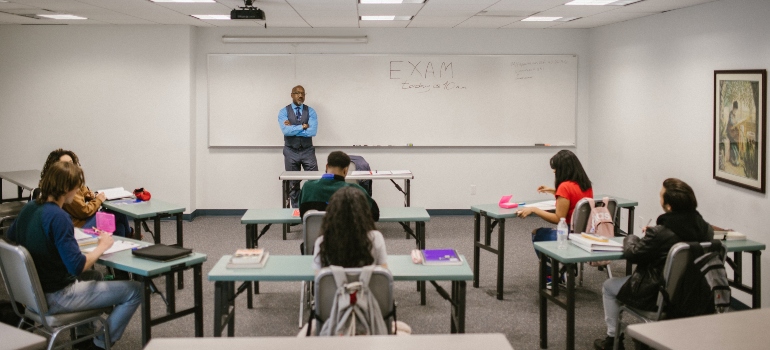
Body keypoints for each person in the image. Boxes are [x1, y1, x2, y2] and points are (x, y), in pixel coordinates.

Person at [8, 161, 142, 350]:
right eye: (76, 186)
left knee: (95, 276)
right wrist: (101, 246)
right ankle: (100, 345)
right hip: (55, 296)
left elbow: (11, 239)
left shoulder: (29, 209)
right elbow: (77, 266)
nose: (78, 190)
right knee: (135, 290)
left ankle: (83, 340)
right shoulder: (59, 217)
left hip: (29, 293)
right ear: (65, 188)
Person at [593, 178, 713, 350]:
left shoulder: (660, 233)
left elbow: (633, 254)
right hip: (693, 296)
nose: (659, 199)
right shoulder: (706, 230)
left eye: (661, 196)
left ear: (669, 206)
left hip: (657, 295)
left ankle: (613, 340)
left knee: (609, 286)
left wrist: (631, 238)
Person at [516, 150, 593, 279]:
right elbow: (573, 197)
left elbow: (559, 219)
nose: (554, 171)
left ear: (564, 168)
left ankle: (551, 276)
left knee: (537, 233)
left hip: (569, 235)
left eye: (556, 168)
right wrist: (554, 191)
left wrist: (535, 210)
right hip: (584, 234)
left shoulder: (564, 187)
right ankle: (567, 268)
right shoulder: (586, 184)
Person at [39, 148, 132, 237]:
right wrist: (98, 200)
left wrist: (88, 194)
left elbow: (82, 189)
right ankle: (131, 234)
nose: (70, 167)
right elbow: (84, 211)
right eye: (66, 164)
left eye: (71, 163)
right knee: (116, 212)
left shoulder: (65, 182)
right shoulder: (65, 189)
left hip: (81, 221)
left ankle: (124, 242)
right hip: (79, 226)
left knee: (120, 227)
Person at [312, 187, 387, 271]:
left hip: (334, 284)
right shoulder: (375, 238)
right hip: (368, 284)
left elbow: (319, 278)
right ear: (364, 212)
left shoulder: (322, 242)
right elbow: (383, 274)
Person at [298, 151, 379, 221]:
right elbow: (375, 215)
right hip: (346, 238)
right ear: (345, 170)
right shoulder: (355, 190)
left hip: (317, 238)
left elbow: (302, 215)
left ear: (326, 166)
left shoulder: (307, 188)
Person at [278, 85, 319, 208]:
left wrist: (293, 127)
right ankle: (296, 212)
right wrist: (303, 126)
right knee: (293, 184)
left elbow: (313, 132)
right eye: (297, 93)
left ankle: (312, 209)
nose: (300, 95)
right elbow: (286, 131)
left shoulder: (311, 111)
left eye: (303, 93)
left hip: (308, 151)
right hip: (290, 151)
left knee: (314, 182)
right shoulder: (283, 112)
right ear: (291, 95)